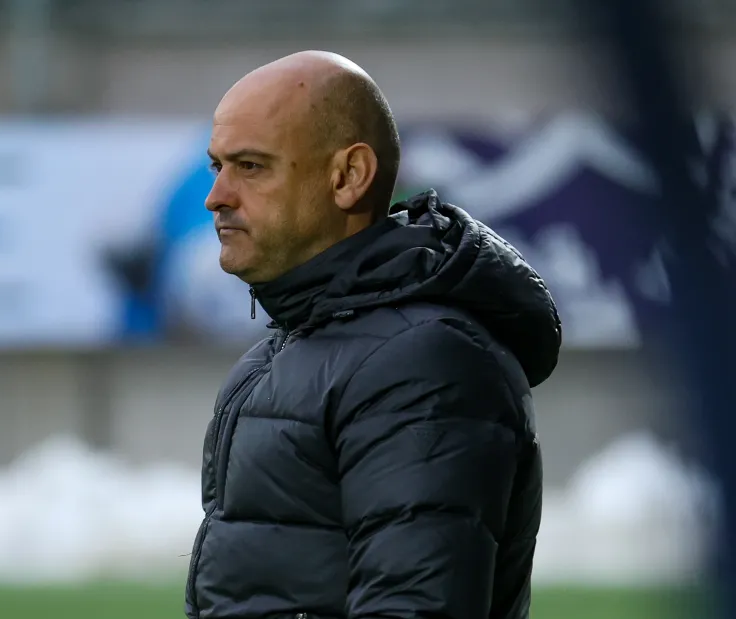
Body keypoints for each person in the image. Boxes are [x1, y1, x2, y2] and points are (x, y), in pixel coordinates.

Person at [185, 50, 562, 619]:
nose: (216, 196)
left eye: (251, 166)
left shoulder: (425, 362)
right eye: (218, 166)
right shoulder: (283, 352)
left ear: (348, 176)